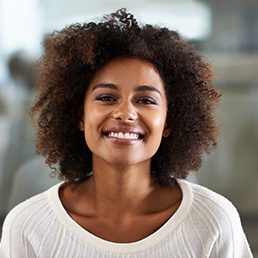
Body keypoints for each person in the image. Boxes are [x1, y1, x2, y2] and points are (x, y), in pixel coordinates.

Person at [0, 8, 253, 257]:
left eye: (145, 100)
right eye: (107, 97)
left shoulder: (214, 221)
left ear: (168, 122)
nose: (126, 113)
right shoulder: (28, 226)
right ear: (80, 116)